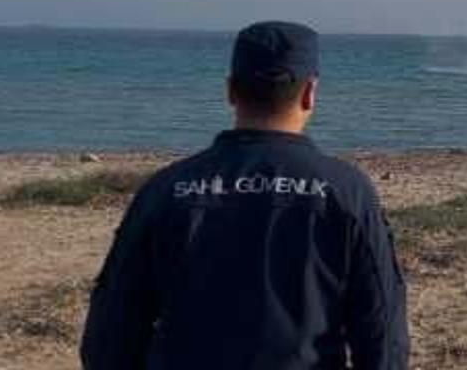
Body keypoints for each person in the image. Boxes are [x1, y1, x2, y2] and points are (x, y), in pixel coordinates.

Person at [81, 21, 410, 369]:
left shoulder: (166, 189)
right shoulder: (346, 191)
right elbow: (382, 333)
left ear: (231, 91)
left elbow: (110, 333)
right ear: (310, 92)